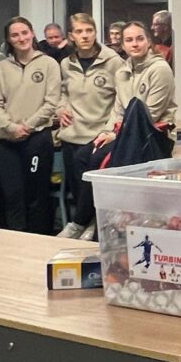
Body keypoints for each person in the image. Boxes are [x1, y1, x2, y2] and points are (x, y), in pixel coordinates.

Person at [59, 20, 176, 238]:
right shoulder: (122, 71)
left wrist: (115, 134)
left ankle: (80, 222)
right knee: (83, 156)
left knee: (98, 161)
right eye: (129, 40)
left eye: (140, 39)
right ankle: (93, 218)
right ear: (122, 45)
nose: (135, 44)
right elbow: (118, 109)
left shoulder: (160, 69)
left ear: (148, 41)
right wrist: (106, 132)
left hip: (151, 137)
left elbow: (150, 115)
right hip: (124, 134)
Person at [0, 17, 61, 234]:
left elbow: (51, 102)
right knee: (12, 194)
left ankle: (37, 240)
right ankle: (14, 241)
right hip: (7, 141)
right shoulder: (1, 68)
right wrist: (11, 127)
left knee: (36, 194)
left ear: (32, 34)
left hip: (37, 139)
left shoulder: (48, 64)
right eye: (15, 35)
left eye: (24, 33)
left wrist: (27, 126)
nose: (21, 38)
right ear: (9, 39)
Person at [55, 13, 124, 239]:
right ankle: (82, 231)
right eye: (79, 31)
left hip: (98, 136)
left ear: (95, 33)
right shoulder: (66, 63)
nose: (85, 36)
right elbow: (62, 93)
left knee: (97, 193)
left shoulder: (113, 61)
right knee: (79, 193)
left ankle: (94, 231)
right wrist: (61, 108)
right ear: (71, 36)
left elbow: (121, 99)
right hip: (72, 135)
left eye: (89, 31)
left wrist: (110, 129)